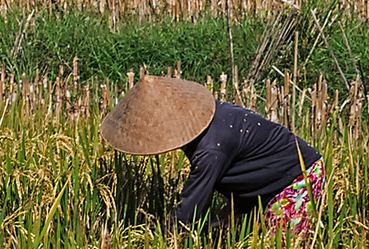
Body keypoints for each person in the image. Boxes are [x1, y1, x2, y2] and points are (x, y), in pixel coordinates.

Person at [100, 75, 324, 235]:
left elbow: (192, 204)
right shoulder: (204, 127)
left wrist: (164, 238)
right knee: (228, 232)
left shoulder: (211, 149)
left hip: (297, 177)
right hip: (261, 180)